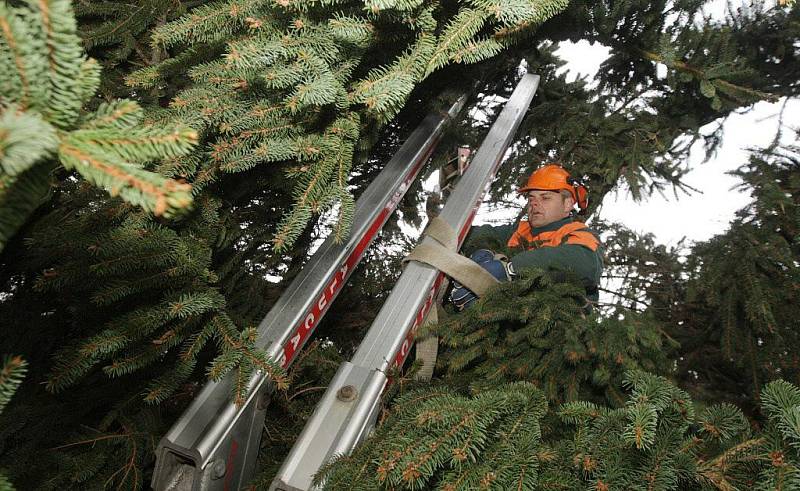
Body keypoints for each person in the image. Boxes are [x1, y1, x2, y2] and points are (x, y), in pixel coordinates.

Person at [450, 164, 603, 310]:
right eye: (531, 199)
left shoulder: (579, 233)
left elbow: (587, 264)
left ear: (568, 204)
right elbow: (471, 234)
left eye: (545, 198)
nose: (534, 204)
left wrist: (511, 269)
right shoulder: (519, 231)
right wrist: (480, 251)